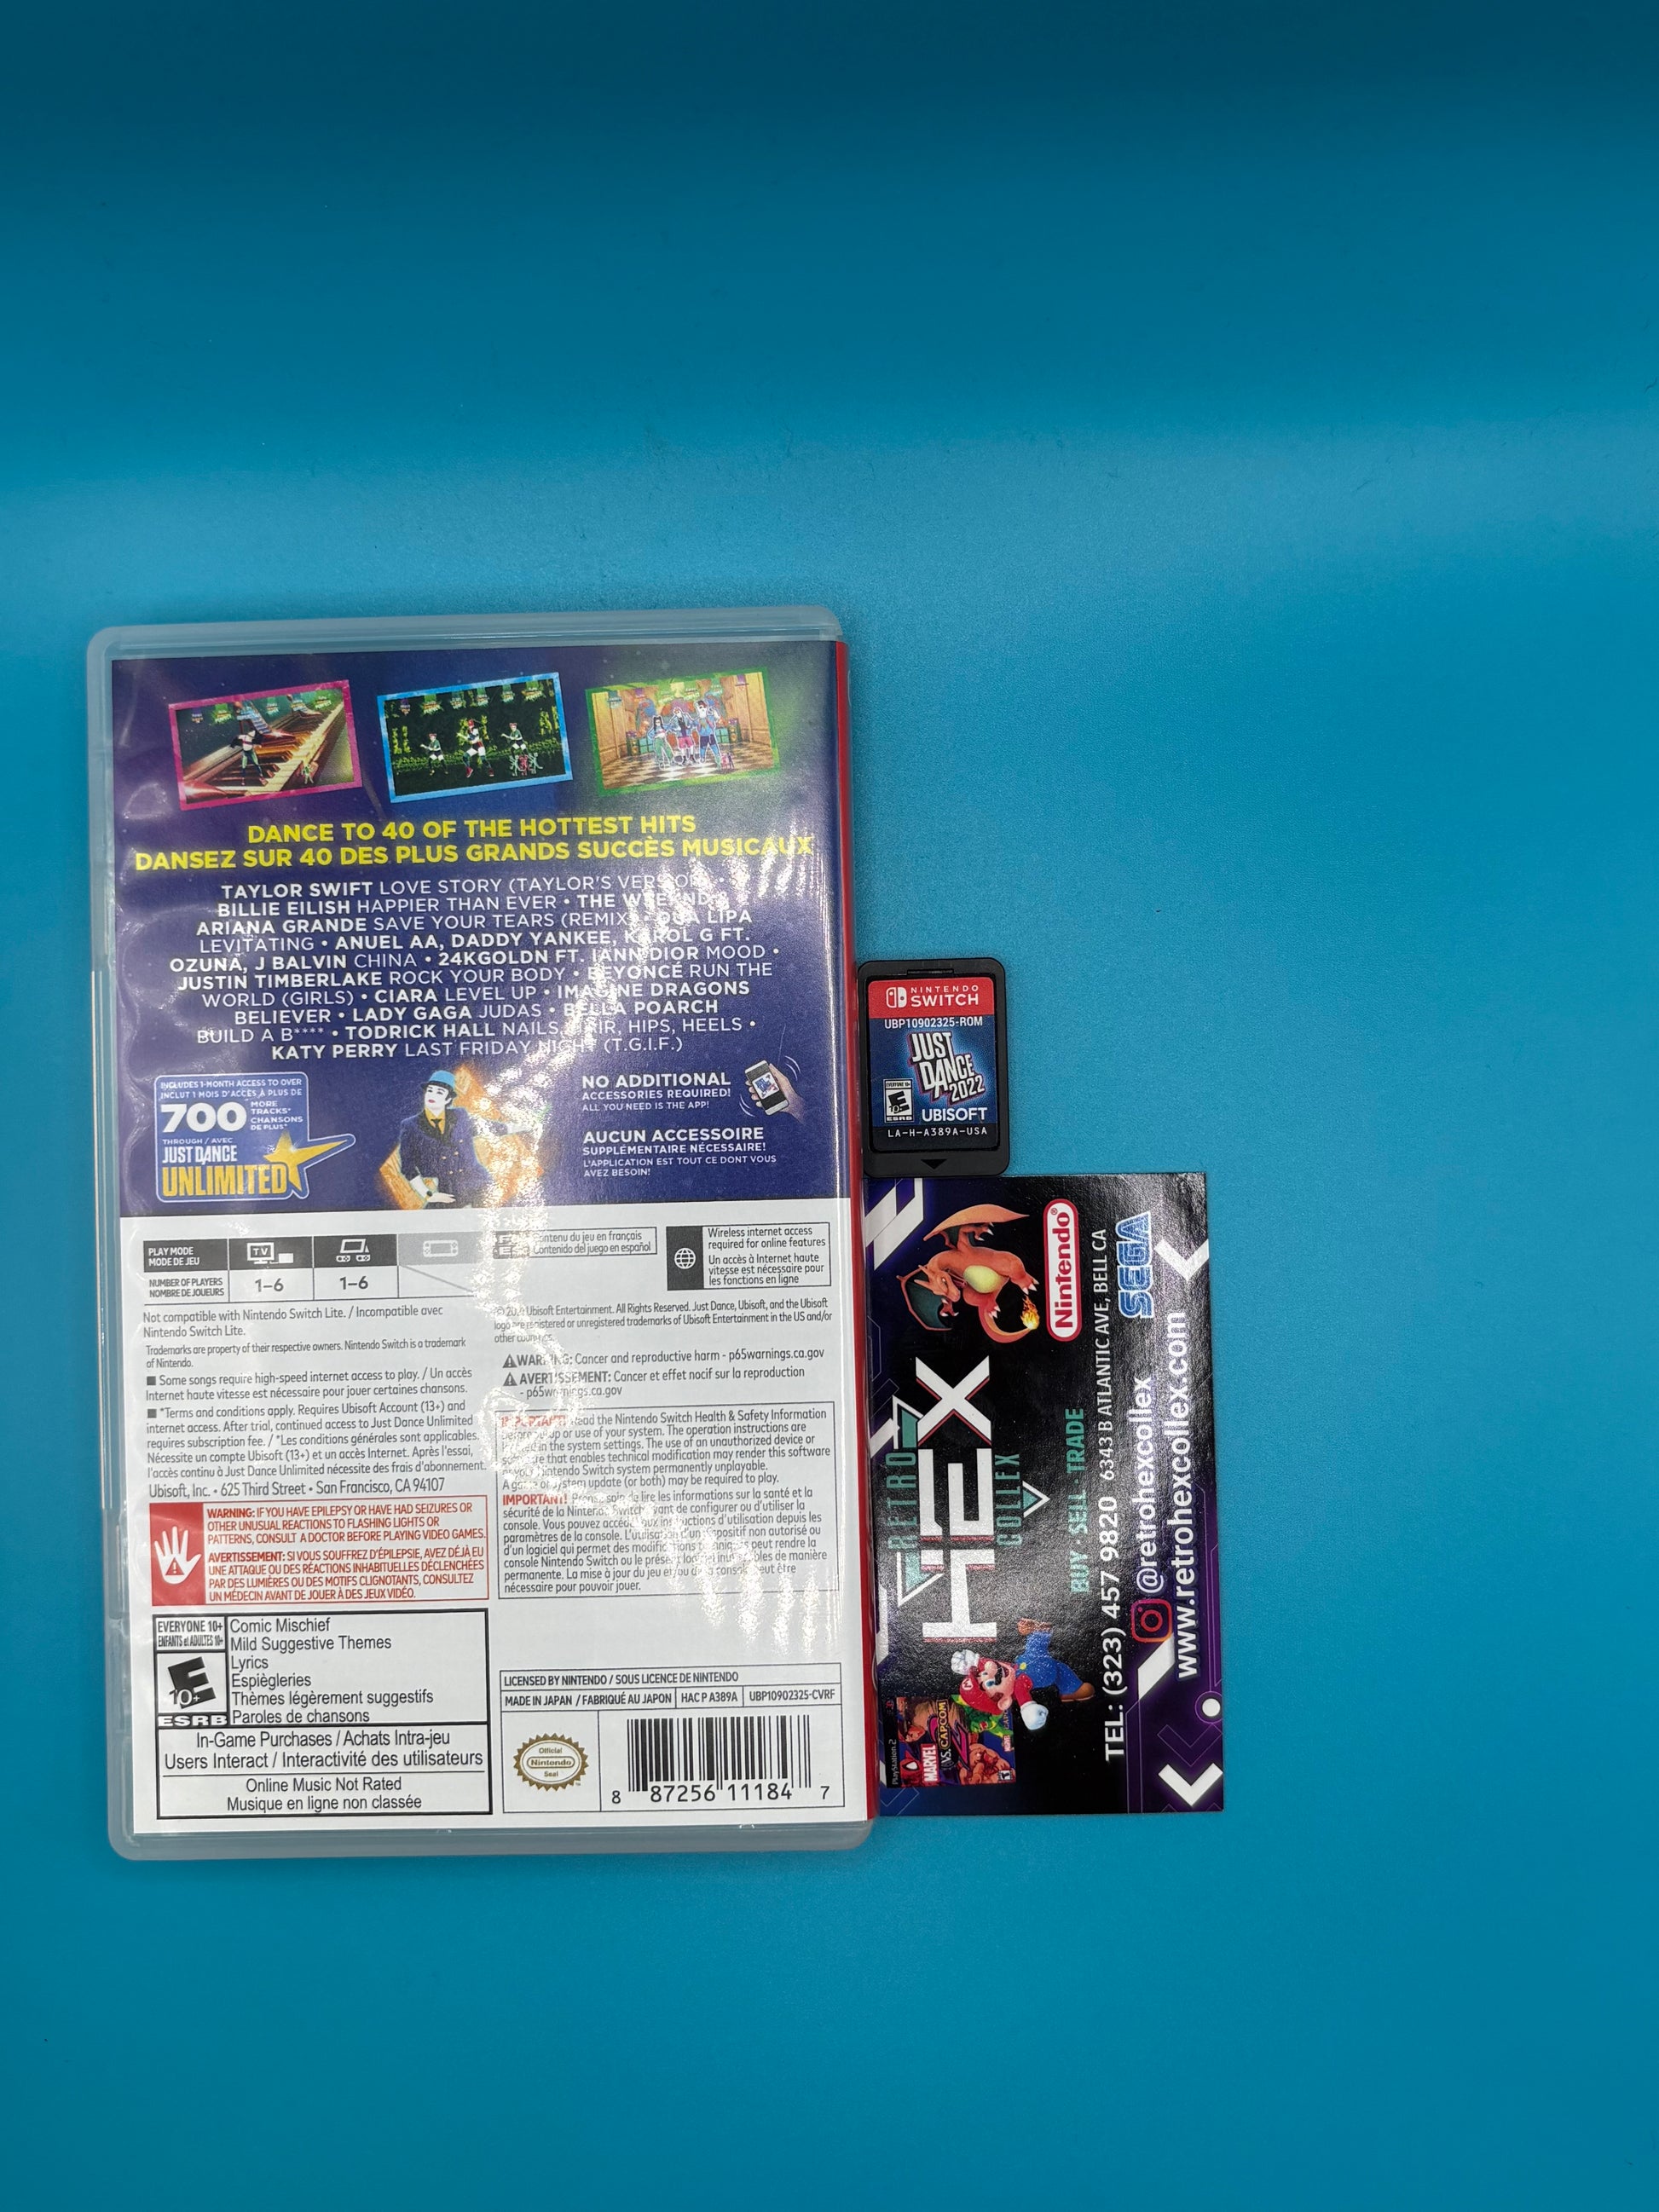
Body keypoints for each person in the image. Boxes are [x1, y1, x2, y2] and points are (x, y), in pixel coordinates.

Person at [396, 1071, 490, 1206]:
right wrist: (428, 1195)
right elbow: (407, 1166)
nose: (432, 1095)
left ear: (448, 1099)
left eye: (439, 1092)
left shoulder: (460, 1115)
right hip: (446, 1190)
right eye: (430, 1090)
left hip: (479, 1182)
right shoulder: (410, 1125)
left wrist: (520, 1127)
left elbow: (488, 1127)